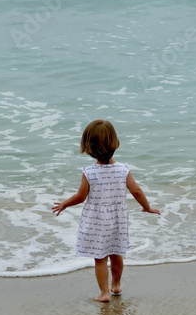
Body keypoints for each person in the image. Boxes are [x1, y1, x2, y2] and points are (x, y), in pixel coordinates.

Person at [52, 119, 160, 302]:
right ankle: (116, 286)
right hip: (118, 220)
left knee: (100, 257)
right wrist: (147, 207)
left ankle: (104, 293)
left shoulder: (89, 172)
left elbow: (81, 196)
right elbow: (136, 191)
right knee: (117, 253)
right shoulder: (123, 169)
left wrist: (64, 203)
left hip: (96, 221)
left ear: (88, 147)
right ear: (115, 143)